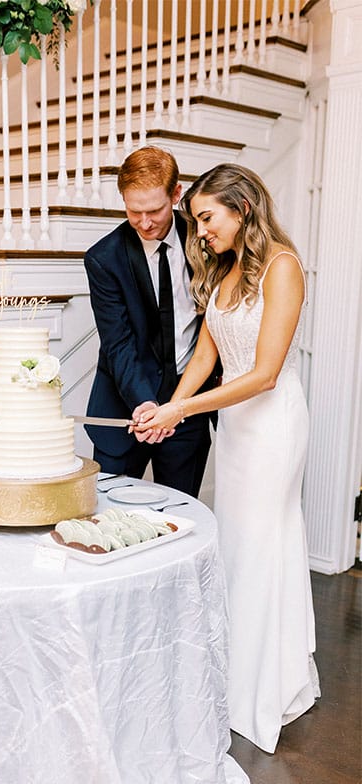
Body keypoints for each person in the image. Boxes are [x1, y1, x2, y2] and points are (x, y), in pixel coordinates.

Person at [132, 163, 320, 753]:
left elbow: (263, 375)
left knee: (263, 543)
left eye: (207, 218)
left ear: (242, 207)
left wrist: (181, 414)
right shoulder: (221, 270)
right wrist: (167, 408)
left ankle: (264, 687)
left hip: (273, 424)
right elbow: (203, 360)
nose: (201, 231)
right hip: (236, 426)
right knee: (237, 544)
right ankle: (235, 672)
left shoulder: (283, 267)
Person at [83, 146, 219, 496]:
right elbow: (118, 343)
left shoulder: (208, 241)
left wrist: (178, 405)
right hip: (126, 411)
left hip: (187, 407)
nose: (144, 222)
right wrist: (145, 404)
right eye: (133, 211)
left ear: (176, 195)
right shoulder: (103, 259)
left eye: (155, 210)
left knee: (180, 515)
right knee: (110, 515)